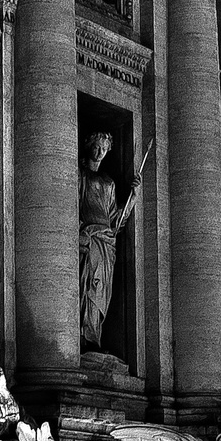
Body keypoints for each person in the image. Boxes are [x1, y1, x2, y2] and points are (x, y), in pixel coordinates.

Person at [78, 131, 139, 350]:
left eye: (104, 148)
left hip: (106, 242)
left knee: (101, 290)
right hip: (90, 238)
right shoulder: (81, 175)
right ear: (89, 146)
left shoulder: (108, 182)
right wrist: (80, 232)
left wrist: (132, 198)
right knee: (88, 285)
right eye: (96, 146)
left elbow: (115, 219)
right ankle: (84, 335)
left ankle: (94, 334)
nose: (100, 152)